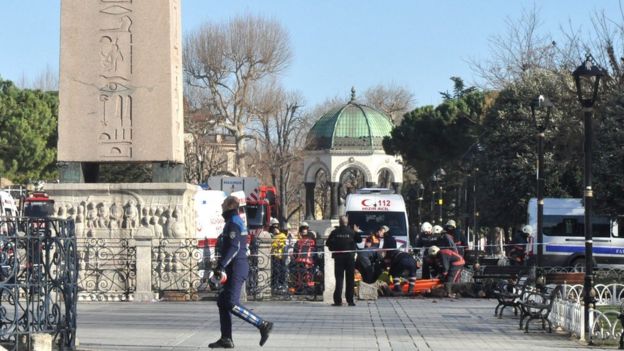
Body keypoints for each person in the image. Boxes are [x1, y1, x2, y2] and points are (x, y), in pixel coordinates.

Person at [209, 196, 273, 349]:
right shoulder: (235, 220)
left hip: (236, 266)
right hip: (235, 266)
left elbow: (234, 247)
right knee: (223, 302)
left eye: (223, 203)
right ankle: (226, 338)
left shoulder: (233, 223)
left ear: (229, 206)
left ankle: (262, 324)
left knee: (231, 303)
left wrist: (221, 266)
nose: (221, 205)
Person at [325, 215, 362, 306]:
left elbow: (328, 243)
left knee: (339, 280)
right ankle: (350, 300)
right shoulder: (352, 232)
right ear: (347, 222)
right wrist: (357, 231)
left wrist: (333, 248)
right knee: (350, 280)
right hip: (350, 259)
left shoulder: (335, 232)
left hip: (339, 259)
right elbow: (359, 240)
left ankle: (338, 301)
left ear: (339, 222)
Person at [269, 218, 288, 293]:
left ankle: (281, 284)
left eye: (276, 227)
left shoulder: (282, 235)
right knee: (274, 272)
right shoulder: (271, 236)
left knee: (281, 271)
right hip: (273, 256)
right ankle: (274, 284)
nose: (275, 229)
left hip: (280, 256)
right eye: (274, 227)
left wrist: (274, 243)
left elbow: (281, 244)